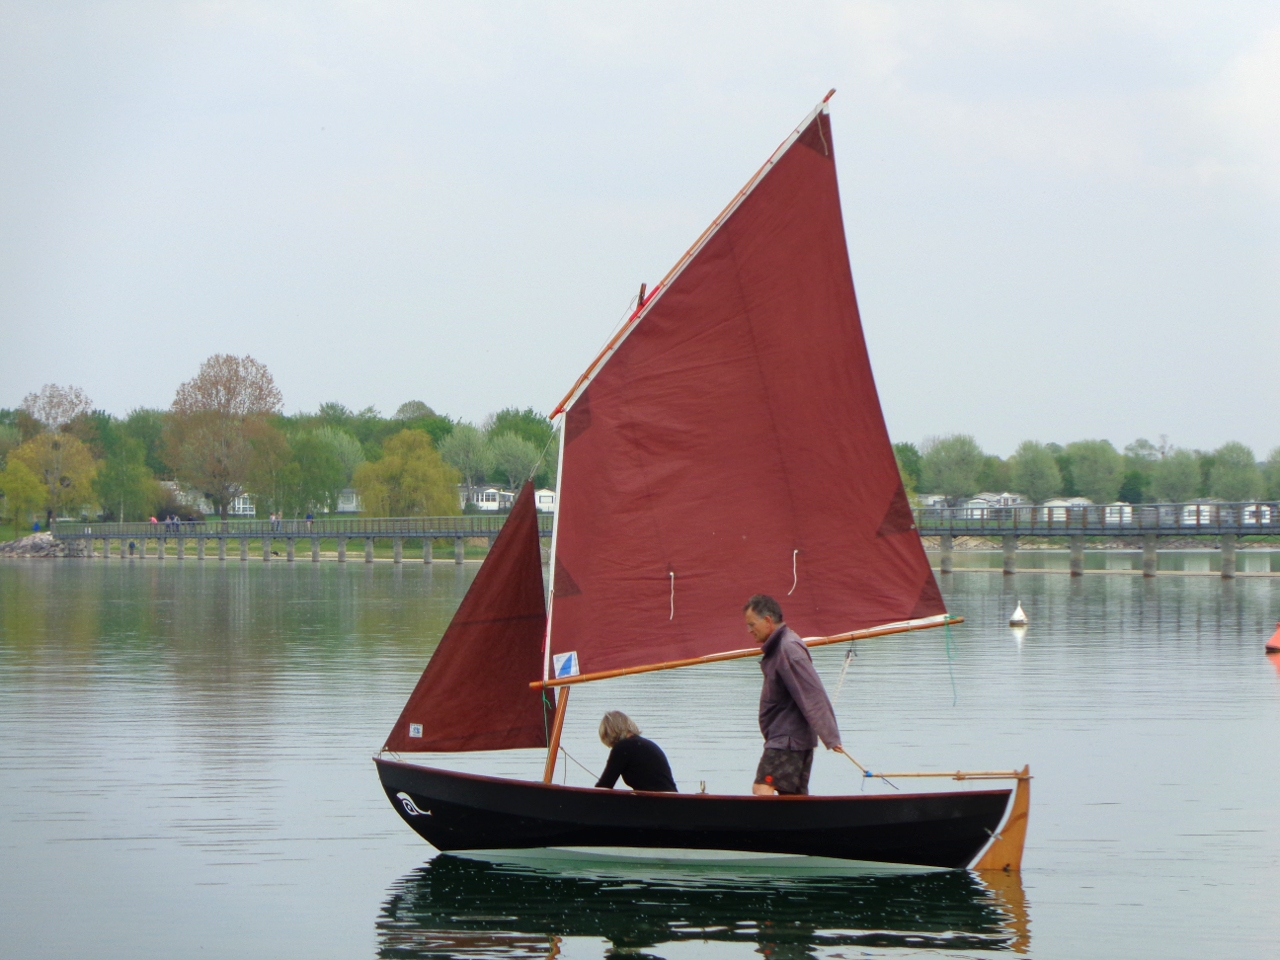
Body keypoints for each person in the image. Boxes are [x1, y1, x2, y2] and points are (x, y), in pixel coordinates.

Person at [744, 594, 842, 796]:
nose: (749, 630)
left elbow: (812, 693)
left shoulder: (788, 648)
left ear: (768, 621)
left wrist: (830, 736)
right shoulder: (779, 647)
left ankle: (763, 828)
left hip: (787, 740)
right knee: (793, 799)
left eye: (752, 624)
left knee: (762, 788)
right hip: (792, 739)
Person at [594, 711, 677, 792]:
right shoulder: (646, 744)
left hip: (656, 801)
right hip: (672, 799)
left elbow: (605, 786)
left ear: (609, 732)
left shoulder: (623, 747)